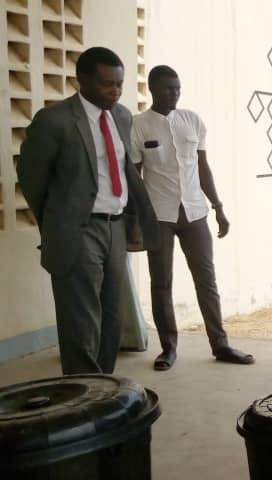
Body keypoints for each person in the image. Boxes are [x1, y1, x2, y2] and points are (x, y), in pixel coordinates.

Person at [17, 47, 159, 374]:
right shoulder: (54, 121)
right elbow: (33, 178)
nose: (115, 91)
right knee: (82, 323)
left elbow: (123, 169)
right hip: (79, 230)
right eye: (107, 84)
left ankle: (103, 393)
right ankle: (81, 399)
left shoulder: (122, 116)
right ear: (81, 80)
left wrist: (132, 221)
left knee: (111, 317)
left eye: (119, 84)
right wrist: (57, 223)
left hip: (116, 228)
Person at [131, 65, 254, 370]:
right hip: (158, 215)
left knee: (207, 281)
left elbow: (202, 167)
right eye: (168, 88)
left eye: (178, 88)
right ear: (152, 89)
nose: (174, 93)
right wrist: (134, 219)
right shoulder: (138, 126)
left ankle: (221, 344)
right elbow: (134, 175)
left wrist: (218, 207)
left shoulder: (193, 121)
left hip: (196, 212)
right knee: (161, 283)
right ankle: (168, 348)